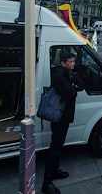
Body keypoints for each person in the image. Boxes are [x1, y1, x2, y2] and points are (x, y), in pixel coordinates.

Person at [42, 52, 83, 194]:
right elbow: (71, 92)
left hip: (65, 116)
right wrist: (73, 87)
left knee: (59, 146)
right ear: (63, 63)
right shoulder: (59, 75)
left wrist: (73, 85)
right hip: (58, 116)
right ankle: (46, 183)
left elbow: (80, 85)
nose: (73, 64)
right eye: (70, 62)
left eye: (73, 61)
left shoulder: (70, 74)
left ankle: (54, 171)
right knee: (55, 148)